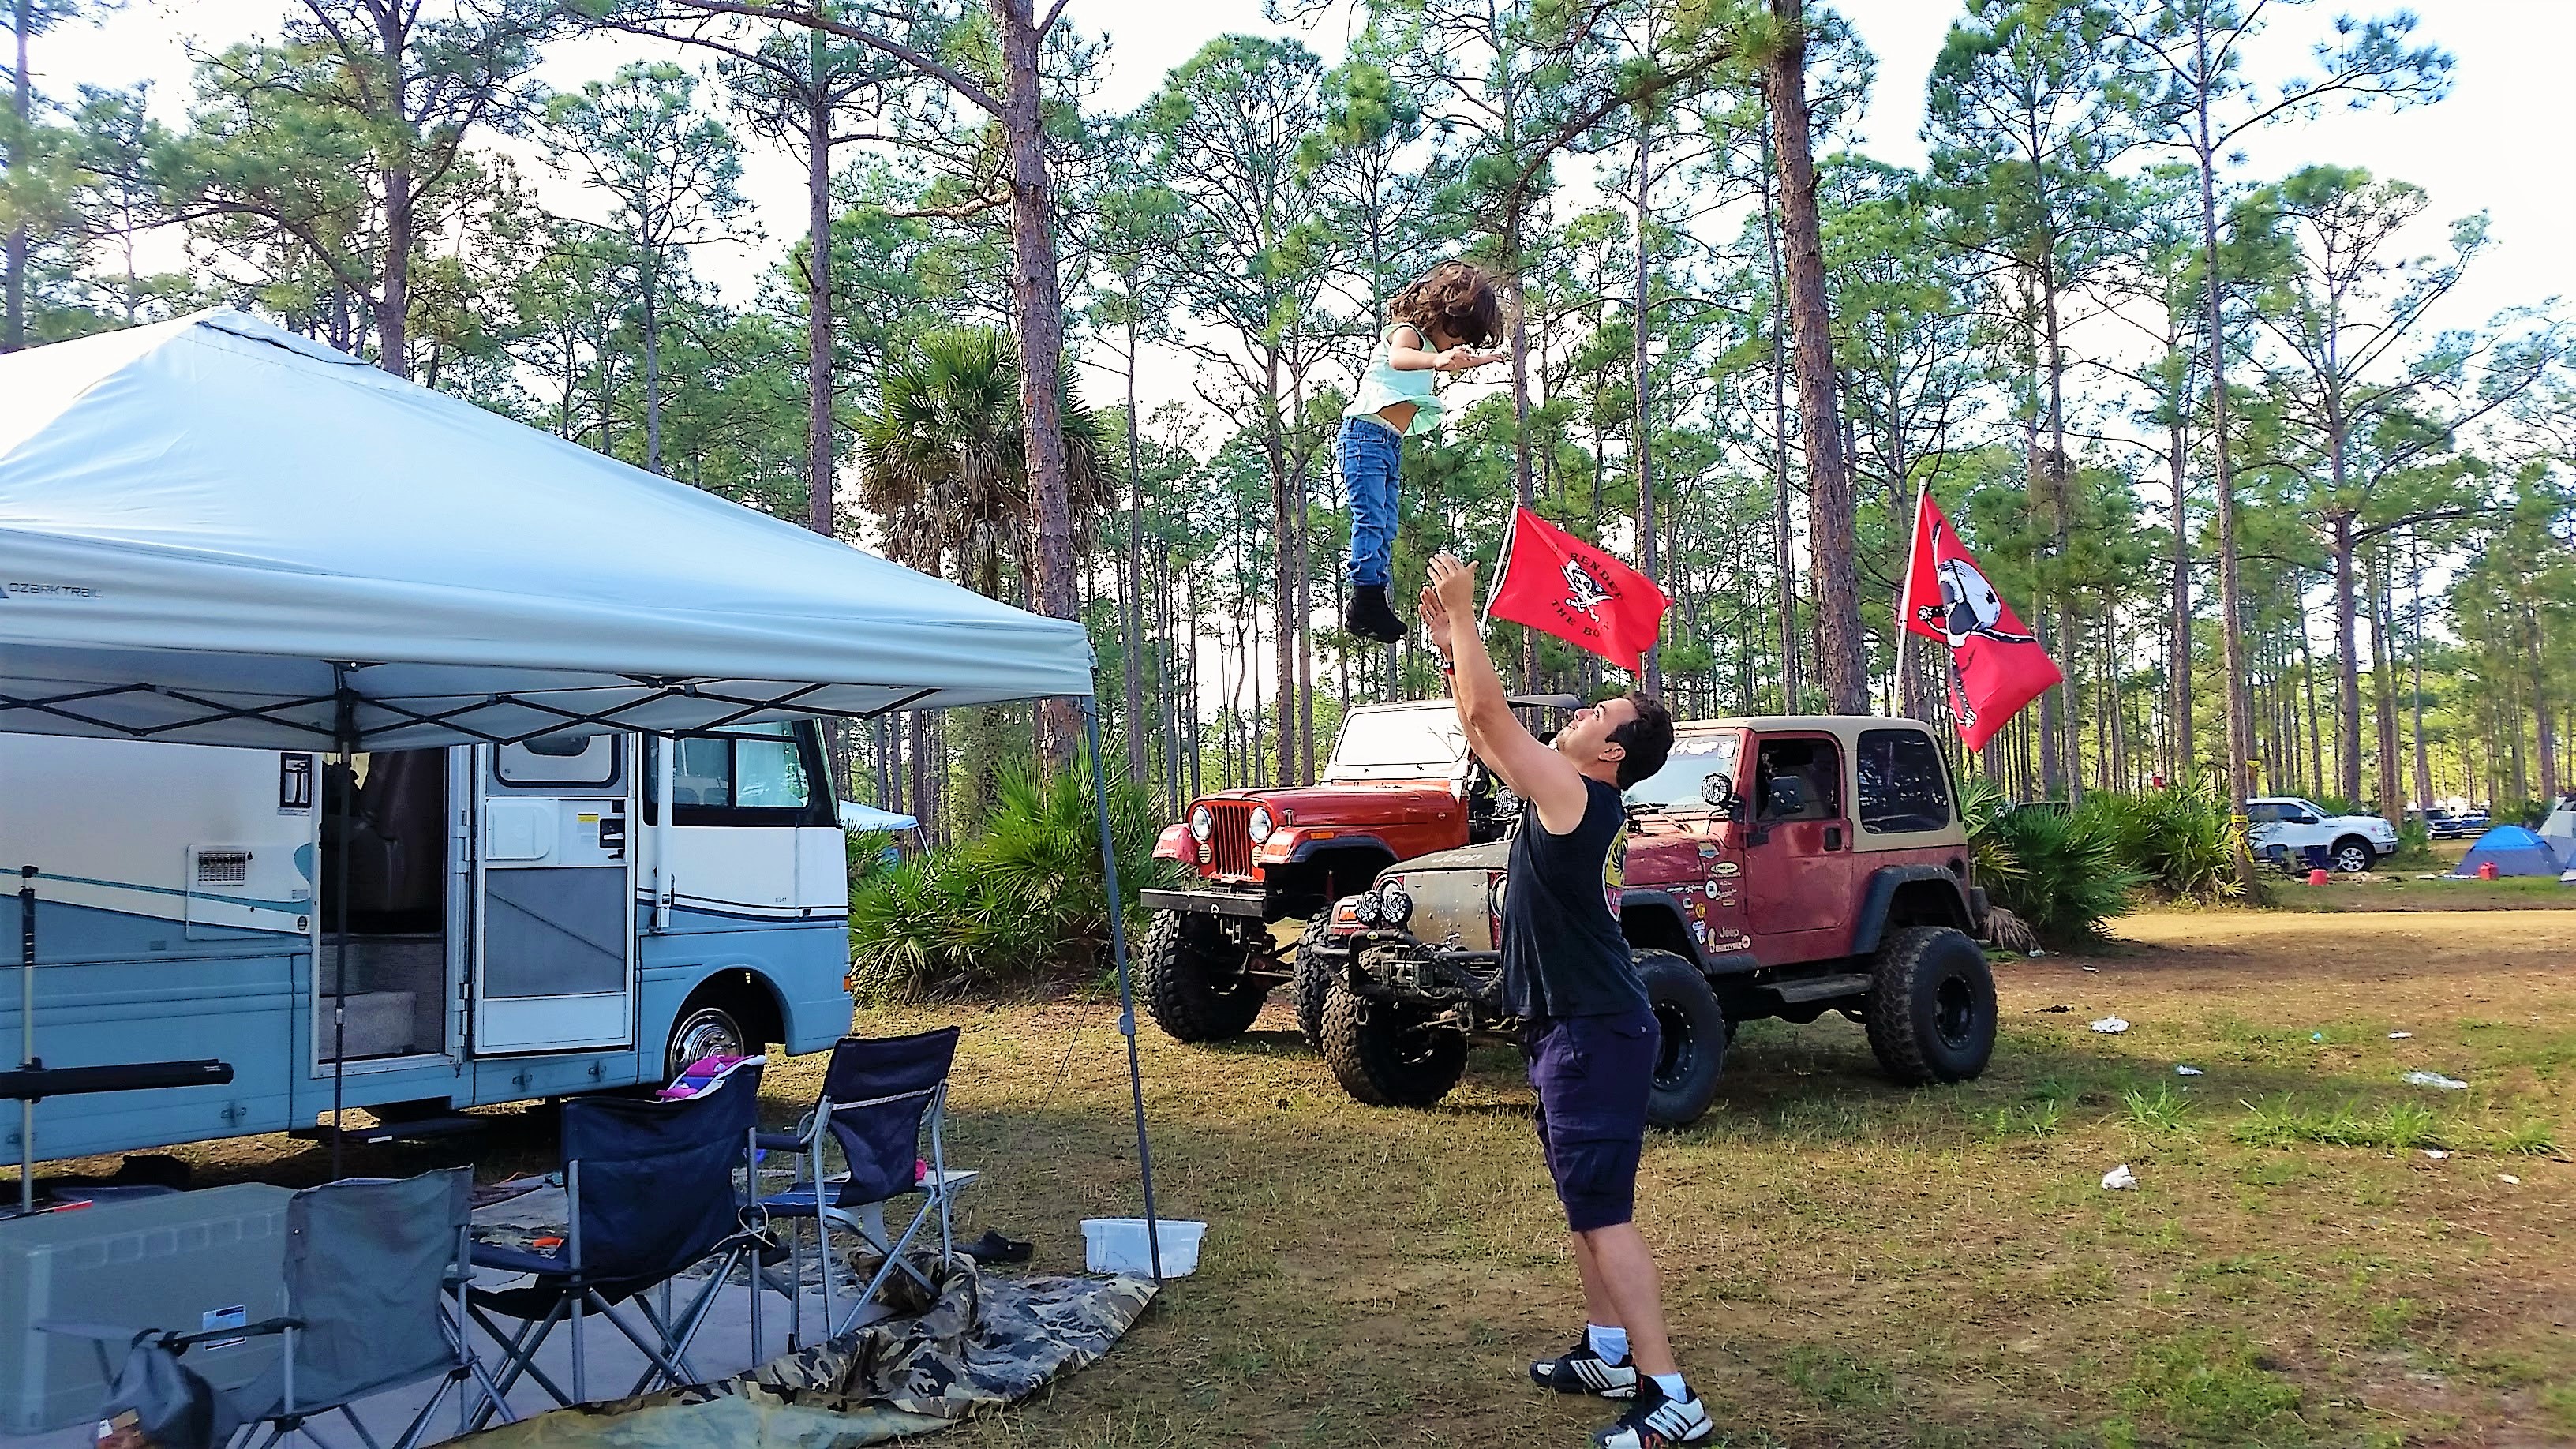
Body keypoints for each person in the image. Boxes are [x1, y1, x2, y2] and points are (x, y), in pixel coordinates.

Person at [1416, 552, 1705, 1448]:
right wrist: (1449, 640)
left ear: (1611, 751)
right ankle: (1609, 1350)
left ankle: (1672, 1398)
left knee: (1606, 1213)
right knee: (1585, 1199)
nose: (1579, 714)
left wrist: (1468, 615)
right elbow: (1480, 732)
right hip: (1574, 1027)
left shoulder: (1577, 796)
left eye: (1595, 714)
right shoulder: (1570, 796)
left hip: (1593, 1030)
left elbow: (1490, 717)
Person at [1339, 261, 1514, 643]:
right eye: (1457, 336)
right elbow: (1401, 360)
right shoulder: (1407, 334)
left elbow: (1450, 363)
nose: (1455, 346)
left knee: (1385, 523)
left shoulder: (1433, 347)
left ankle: (1373, 596)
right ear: (1442, 314)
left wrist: (1484, 360)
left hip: (1387, 442)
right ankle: (1365, 597)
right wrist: (1436, 359)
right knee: (1370, 518)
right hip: (1364, 437)